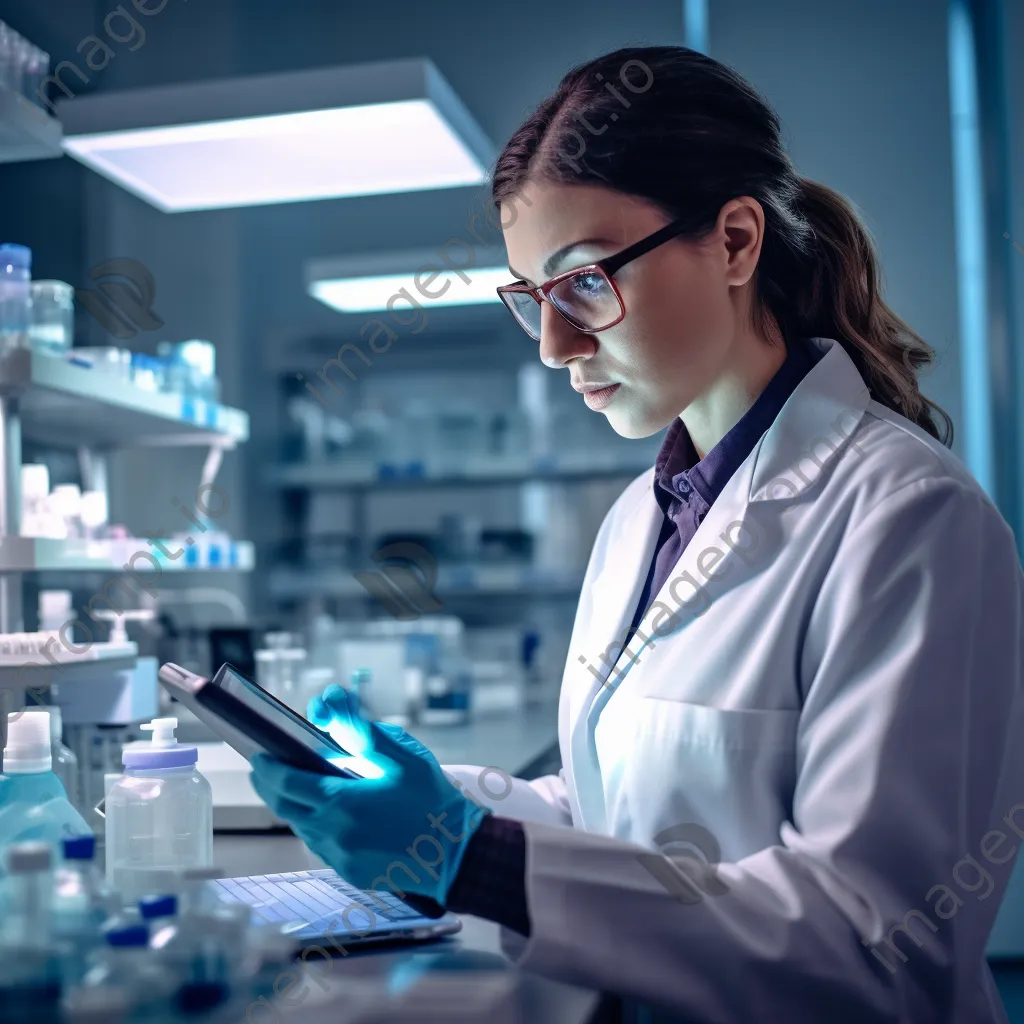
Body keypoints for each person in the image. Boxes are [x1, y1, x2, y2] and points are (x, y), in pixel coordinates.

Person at [250, 45, 1024, 1023]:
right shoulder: (640, 518)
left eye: (582, 282)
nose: (553, 346)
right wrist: (426, 804)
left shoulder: (909, 517)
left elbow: (874, 946)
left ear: (736, 242)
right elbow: (612, 812)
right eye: (532, 297)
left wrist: (471, 855)